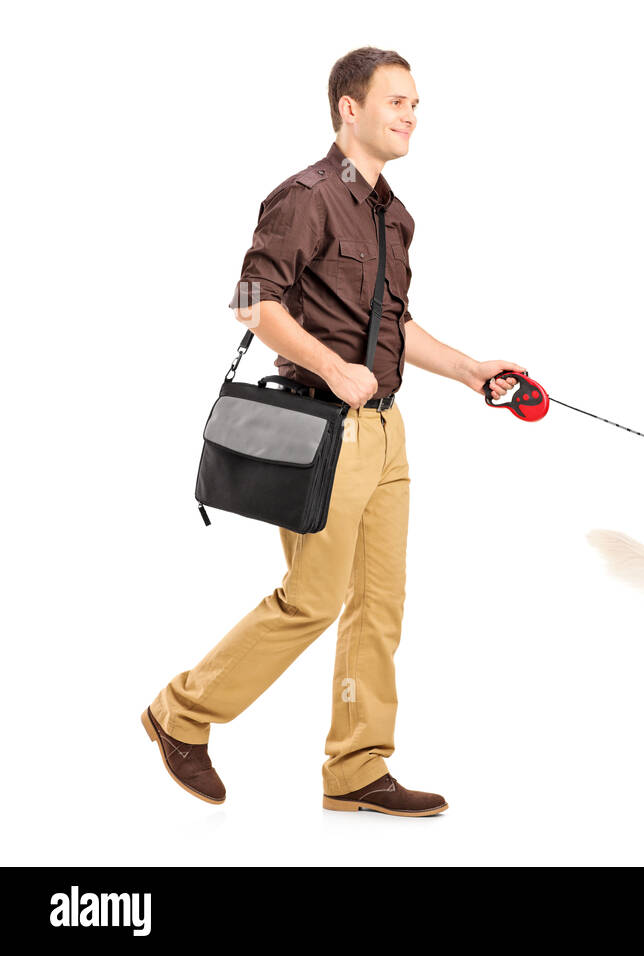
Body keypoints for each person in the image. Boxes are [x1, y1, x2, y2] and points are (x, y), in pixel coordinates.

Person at [142, 47, 525, 817]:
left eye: (416, 103)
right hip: (327, 430)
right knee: (312, 600)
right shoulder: (306, 197)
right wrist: (332, 365)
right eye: (396, 102)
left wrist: (471, 370)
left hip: (387, 435)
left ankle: (356, 767)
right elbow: (254, 302)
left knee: (381, 606)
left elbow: (394, 325)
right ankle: (180, 714)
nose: (412, 114)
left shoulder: (397, 215)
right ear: (348, 109)